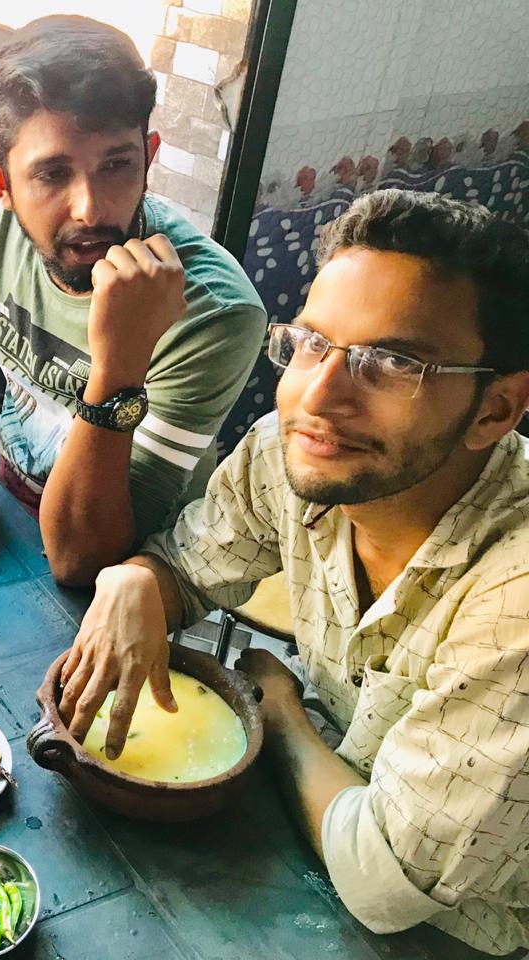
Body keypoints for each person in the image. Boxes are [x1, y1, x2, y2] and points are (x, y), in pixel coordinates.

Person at [59, 190, 529, 955]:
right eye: (312, 343)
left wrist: (279, 711)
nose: (319, 396)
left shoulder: (515, 595)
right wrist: (135, 580)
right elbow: (190, 565)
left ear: (495, 409)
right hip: (325, 807)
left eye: (393, 362)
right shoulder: (292, 451)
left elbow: (384, 883)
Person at [0, 16, 266, 587]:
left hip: (125, 564)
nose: (90, 208)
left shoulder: (212, 312)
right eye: (52, 174)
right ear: (1, 185)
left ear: (148, 157)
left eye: (116, 165)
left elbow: (83, 559)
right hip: (7, 480)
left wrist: (119, 363)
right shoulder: (0, 228)